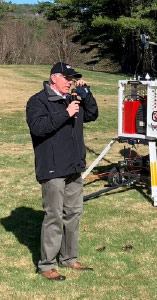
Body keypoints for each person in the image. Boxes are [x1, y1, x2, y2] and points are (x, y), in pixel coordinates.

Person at [26, 62, 98, 280]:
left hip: (74, 167)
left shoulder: (73, 98)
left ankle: (68, 258)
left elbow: (92, 115)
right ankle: (47, 264)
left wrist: (87, 95)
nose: (70, 82)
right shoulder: (38, 101)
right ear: (53, 78)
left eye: (73, 79)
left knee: (73, 214)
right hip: (53, 168)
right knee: (54, 215)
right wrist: (65, 113)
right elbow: (38, 128)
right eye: (67, 78)